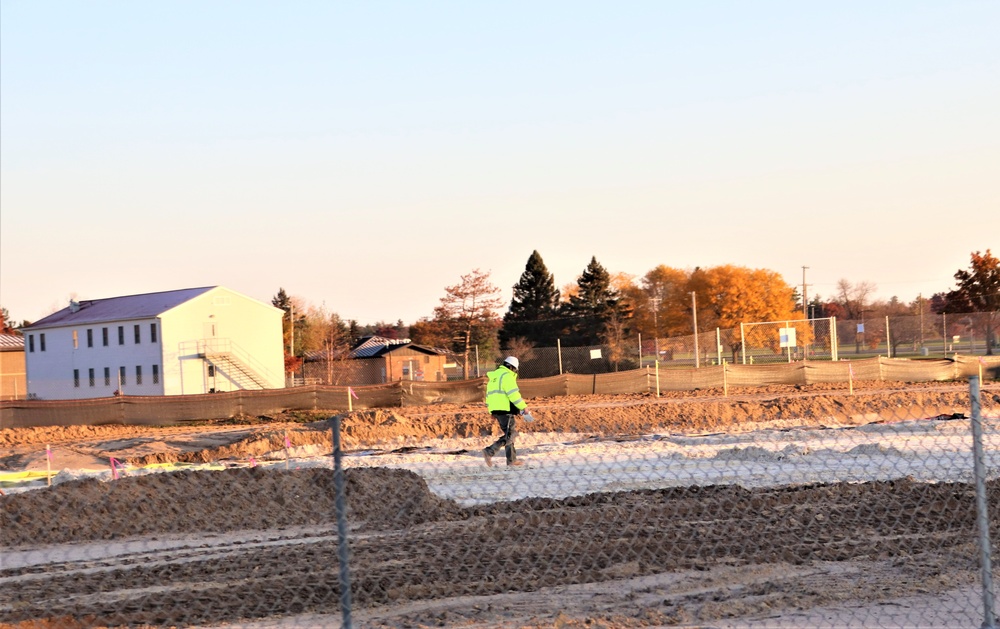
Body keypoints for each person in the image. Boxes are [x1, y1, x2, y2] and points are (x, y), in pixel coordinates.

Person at [482, 356, 533, 467]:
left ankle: (511, 461)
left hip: (497, 410)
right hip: (506, 409)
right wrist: (524, 407)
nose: (514, 372)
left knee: (508, 435)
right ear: (511, 367)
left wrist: (491, 411)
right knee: (511, 434)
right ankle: (490, 451)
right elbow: (513, 395)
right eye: (514, 369)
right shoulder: (507, 376)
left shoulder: (494, 377)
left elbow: (489, 396)